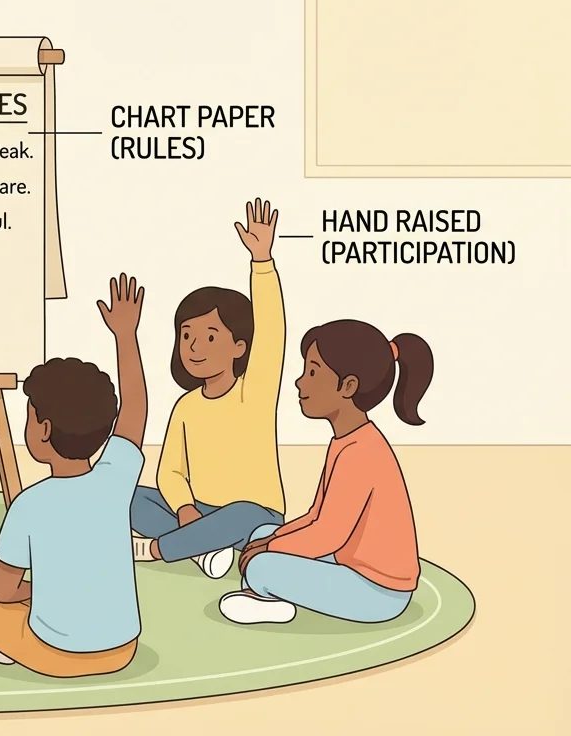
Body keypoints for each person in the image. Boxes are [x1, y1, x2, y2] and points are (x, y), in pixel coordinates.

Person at [0, 274, 147, 677]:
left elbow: (2, 591)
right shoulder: (115, 479)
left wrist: (34, 594)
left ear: (42, 429)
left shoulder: (30, 504)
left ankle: (1, 646)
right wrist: (125, 337)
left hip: (58, 656)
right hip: (123, 649)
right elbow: (135, 412)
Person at [219, 320, 430, 625]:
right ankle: (266, 596)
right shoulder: (346, 441)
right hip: (347, 562)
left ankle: (267, 597)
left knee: (260, 565)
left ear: (348, 386)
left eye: (313, 372)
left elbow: (327, 535)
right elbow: (316, 515)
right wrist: (273, 539)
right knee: (262, 534)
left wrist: (271, 549)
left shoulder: (361, 452)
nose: (300, 382)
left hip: (377, 591)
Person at [130, 199, 287, 579]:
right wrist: (185, 508)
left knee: (244, 515)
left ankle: (158, 548)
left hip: (253, 513)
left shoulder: (256, 390)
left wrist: (262, 262)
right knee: (129, 496)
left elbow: (272, 330)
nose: (195, 347)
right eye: (187, 336)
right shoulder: (186, 406)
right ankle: (203, 549)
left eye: (210, 336)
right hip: (198, 510)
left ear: (239, 347)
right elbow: (170, 471)